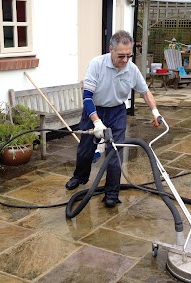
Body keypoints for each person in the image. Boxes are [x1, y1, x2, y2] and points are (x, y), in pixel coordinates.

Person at [65, 30, 163, 208]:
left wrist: (155, 111)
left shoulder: (131, 69)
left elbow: (145, 92)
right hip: (94, 109)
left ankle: (111, 193)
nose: (125, 60)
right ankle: (80, 177)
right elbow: (87, 97)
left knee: (115, 152)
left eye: (129, 56)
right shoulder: (96, 64)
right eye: (121, 56)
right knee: (85, 149)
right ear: (111, 49)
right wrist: (96, 121)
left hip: (117, 112)